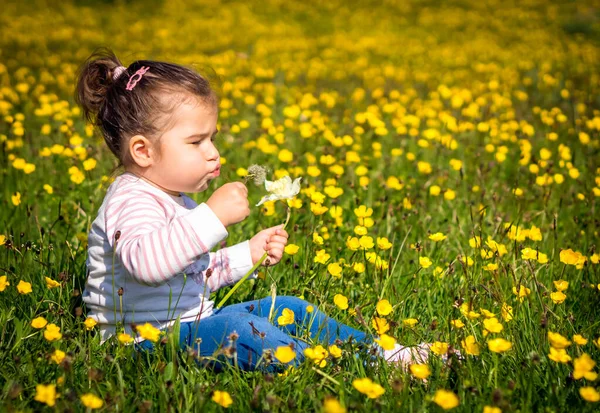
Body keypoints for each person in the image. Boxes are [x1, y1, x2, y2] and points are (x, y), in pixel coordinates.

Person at [77, 48, 429, 371]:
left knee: (289, 308)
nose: (213, 152)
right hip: (141, 343)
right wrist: (211, 216)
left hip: (187, 328)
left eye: (212, 137)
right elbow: (147, 265)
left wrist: (248, 253)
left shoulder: (176, 199)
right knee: (237, 329)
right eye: (196, 141)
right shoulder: (130, 200)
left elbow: (190, 275)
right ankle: (332, 366)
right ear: (143, 151)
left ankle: (386, 354)